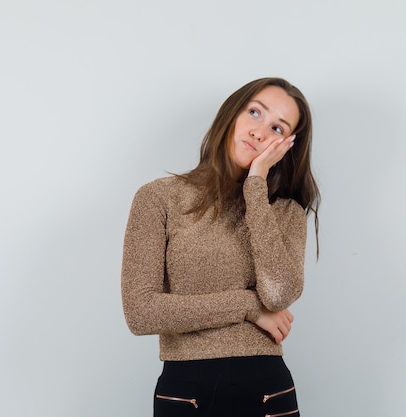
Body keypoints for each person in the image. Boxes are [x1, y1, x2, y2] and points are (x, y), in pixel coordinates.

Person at [121, 77, 320, 417]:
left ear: (287, 145)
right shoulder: (159, 198)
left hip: (267, 391)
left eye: (276, 127)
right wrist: (247, 306)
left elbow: (278, 294)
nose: (259, 132)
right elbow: (141, 313)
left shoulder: (286, 212)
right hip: (187, 391)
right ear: (232, 114)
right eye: (255, 112)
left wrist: (256, 188)